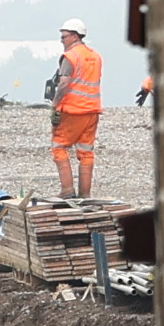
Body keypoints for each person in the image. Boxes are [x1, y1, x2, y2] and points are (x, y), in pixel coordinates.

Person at [49, 27, 106, 199]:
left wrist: (54, 104)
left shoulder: (71, 57)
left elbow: (64, 83)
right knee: (86, 151)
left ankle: (67, 191)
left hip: (73, 110)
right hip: (93, 109)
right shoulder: (95, 56)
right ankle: (85, 194)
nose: (62, 40)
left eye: (64, 37)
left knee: (59, 147)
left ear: (74, 36)